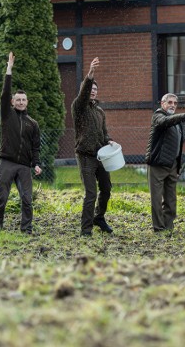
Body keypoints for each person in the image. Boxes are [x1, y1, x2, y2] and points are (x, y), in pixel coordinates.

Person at [0, 52, 42, 234]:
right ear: (13, 102)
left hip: (23, 166)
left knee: (27, 199)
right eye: (17, 100)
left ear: (27, 102)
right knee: (2, 199)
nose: (20, 102)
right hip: (6, 162)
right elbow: (5, 93)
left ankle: (26, 230)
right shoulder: (7, 115)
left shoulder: (33, 124)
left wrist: (36, 163)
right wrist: (9, 70)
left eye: (23, 100)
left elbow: (36, 147)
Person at [72, 57, 117, 236]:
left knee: (106, 189)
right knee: (91, 193)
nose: (93, 91)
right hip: (84, 155)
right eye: (90, 88)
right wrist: (90, 74)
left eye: (95, 89)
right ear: (86, 90)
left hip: (101, 156)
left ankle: (99, 217)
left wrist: (110, 141)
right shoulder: (79, 107)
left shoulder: (99, 112)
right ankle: (86, 230)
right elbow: (83, 93)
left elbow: (104, 133)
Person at [145, 93, 185, 232]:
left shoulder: (176, 122)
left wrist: (177, 167)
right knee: (157, 200)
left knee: (171, 201)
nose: (172, 105)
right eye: (169, 102)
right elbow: (164, 122)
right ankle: (158, 229)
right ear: (162, 104)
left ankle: (168, 227)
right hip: (158, 165)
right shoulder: (158, 116)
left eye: (175, 103)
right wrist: (184, 116)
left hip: (172, 165)